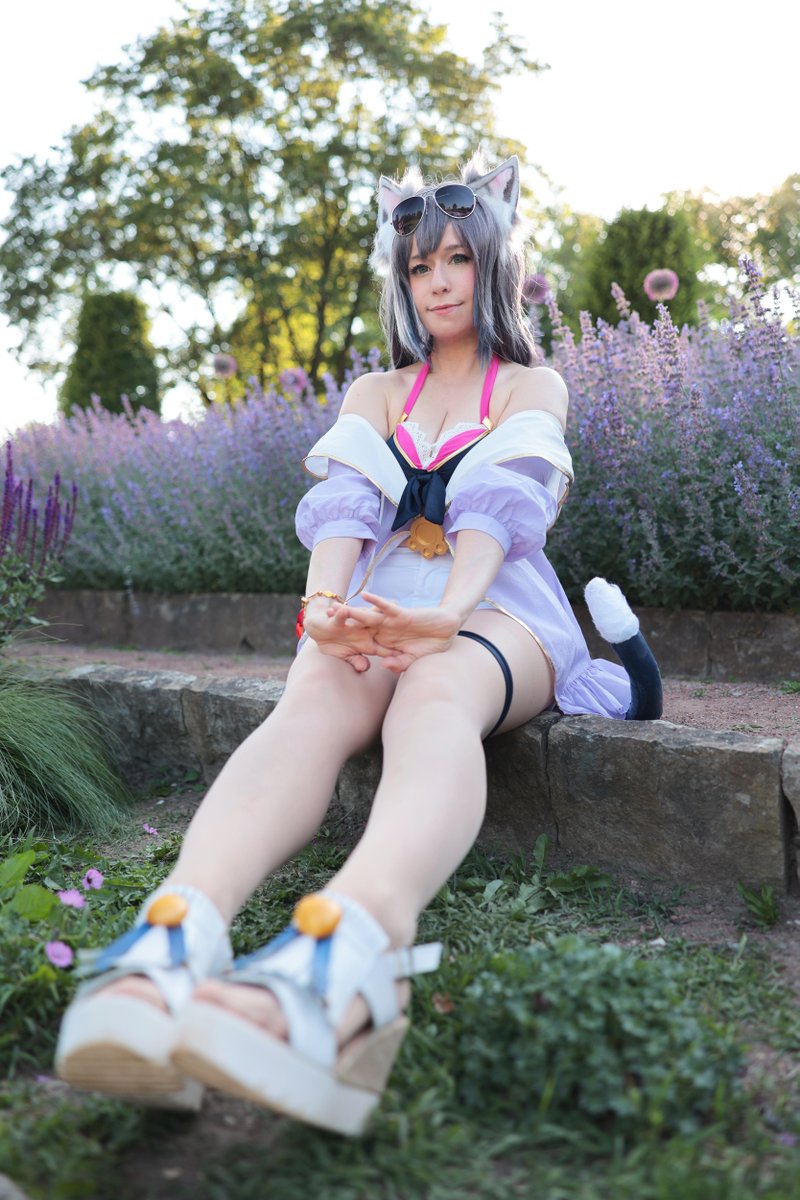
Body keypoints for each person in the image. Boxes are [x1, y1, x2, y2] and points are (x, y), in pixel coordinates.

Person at [54, 152, 661, 1136]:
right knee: (312, 698)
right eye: (420, 265)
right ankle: (173, 937)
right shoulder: (376, 392)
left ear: (494, 266)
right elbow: (347, 507)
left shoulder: (530, 385)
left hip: (497, 607)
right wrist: (323, 606)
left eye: (458, 259)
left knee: (434, 695)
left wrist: (446, 613)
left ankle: (355, 952)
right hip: (380, 595)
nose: (438, 282)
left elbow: (500, 507)